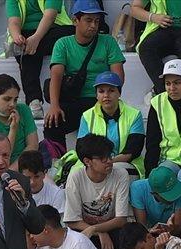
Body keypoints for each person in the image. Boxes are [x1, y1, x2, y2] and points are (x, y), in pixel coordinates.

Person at [44, 1, 124, 147]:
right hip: (74, 99)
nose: (93, 25)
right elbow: (56, 76)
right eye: (88, 20)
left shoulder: (108, 42)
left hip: (100, 99)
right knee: (52, 121)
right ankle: (58, 162)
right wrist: (54, 105)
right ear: (75, 20)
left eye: (97, 21)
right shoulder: (63, 44)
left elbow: (118, 77)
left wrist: (108, 98)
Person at [63, 134, 130, 249]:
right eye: (102, 158)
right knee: (76, 240)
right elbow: (72, 221)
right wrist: (99, 232)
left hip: (111, 227)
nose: (109, 161)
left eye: (110, 156)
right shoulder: (76, 176)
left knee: (124, 237)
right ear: (87, 161)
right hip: (84, 228)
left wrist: (96, 228)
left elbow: (121, 219)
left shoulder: (121, 174)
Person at [11, 0, 73, 121]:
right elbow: (13, 21)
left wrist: (36, 38)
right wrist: (17, 37)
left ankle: (34, 101)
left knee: (29, 48)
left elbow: (50, 15)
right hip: (27, 35)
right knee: (23, 46)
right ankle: (34, 101)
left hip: (55, 30)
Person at [75, 71, 145, 178]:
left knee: (119, 173)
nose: (106, 95)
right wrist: (98, 163)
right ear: (96, 95)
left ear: (119, 93)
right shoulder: (87, 116)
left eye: (111, 91)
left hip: (125, 163)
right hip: (94, 163)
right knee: (75, 175)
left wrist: (106, 162)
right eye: (101, 91)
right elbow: (81, 149)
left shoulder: (134, 115)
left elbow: (133, 150)